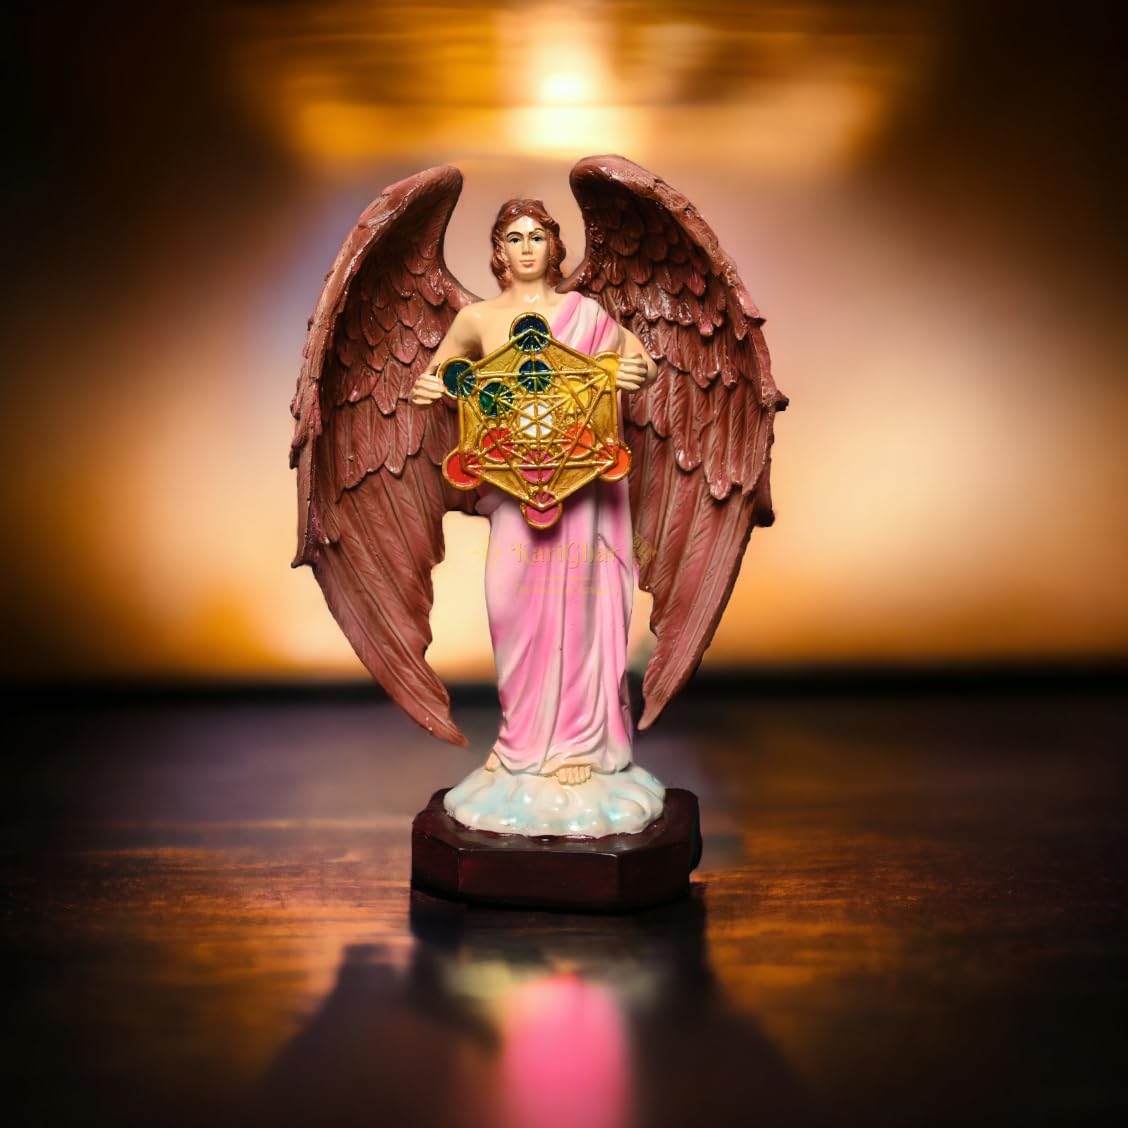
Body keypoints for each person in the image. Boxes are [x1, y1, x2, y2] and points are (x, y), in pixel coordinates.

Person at [409, 199, 664, 835]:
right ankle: (520, 740)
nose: (526, 248)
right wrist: (430, 387)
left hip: (583, 490)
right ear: (499, 251)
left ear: (555, 246)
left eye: (537, 237)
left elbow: (641, 362)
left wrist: (634, 372)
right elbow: (442, 376)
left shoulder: (587, 315)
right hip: (514, 487)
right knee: (511, 605)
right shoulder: (477, 318)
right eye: (514, 238)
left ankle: (577, 743)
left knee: (577, 605)